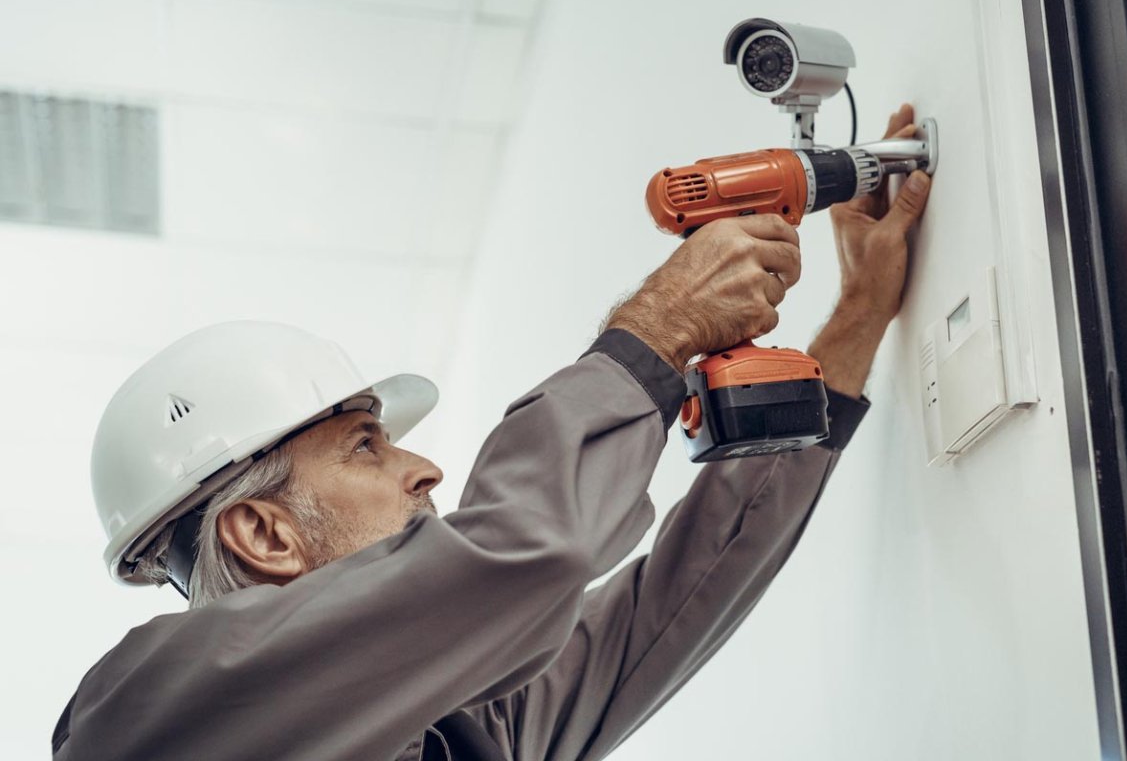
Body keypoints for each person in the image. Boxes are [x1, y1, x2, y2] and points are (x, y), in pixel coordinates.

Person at [53, 106, 932, 761]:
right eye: (365, 445)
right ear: (264, 533)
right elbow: (532, 548)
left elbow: (683, 590)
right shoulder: (142, 719)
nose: (426, 467)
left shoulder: (465, 731)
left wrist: (857, 315)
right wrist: (656, 332)